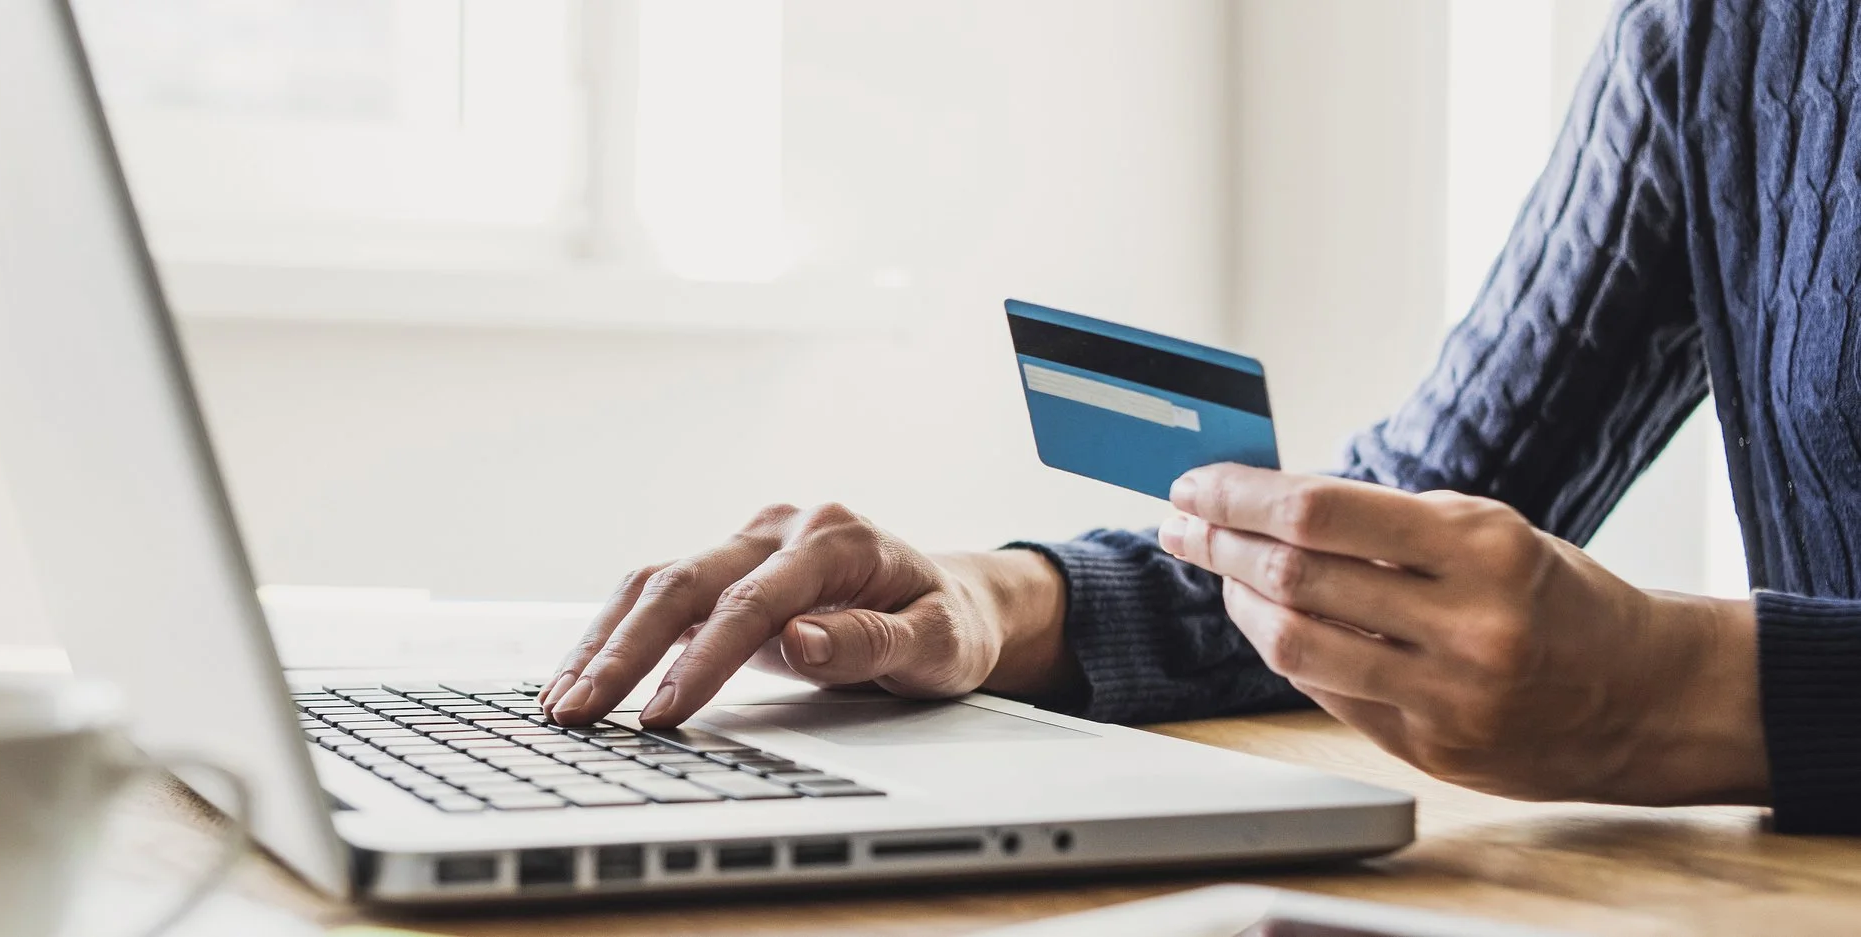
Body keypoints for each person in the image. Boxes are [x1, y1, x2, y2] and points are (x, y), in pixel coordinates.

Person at [540, 0, 1861, 834]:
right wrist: (990, 602)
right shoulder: (1719, 35)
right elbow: (1403, 529)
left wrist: (1694, 692)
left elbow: (1647, 679)